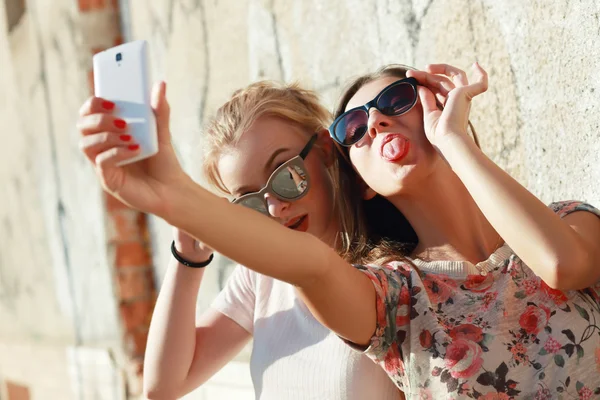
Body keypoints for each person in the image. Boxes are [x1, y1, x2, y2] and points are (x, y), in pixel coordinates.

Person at [78, 62, 600, 399]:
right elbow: (307, 265)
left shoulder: (569, 220)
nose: (374, 123)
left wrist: (455, 141)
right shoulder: (397, 299)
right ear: (358, 175)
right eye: (354, 127)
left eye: (396, 100)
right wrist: (178, 209)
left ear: (328, 162)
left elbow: (563, 265)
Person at [77, 81, 402, 399]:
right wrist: (188, 256)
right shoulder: (260, 277)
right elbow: (164, 387)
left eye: (286, 175)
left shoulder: (392, 274)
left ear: (325, 150)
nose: (275, 207)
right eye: (251, 200)